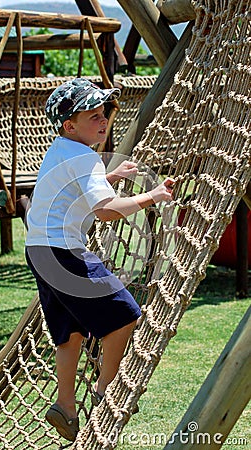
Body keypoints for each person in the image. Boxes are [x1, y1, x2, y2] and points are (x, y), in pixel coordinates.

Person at [25, 78, 174, 442]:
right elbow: (106, 211)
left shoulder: (60, 150)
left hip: (39, 251)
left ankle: (64, 404)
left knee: (69, 333)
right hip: (64, 252)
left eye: (103, 113)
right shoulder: (84, 156)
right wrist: (152, 196)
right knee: (125, 315)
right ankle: (107, 392)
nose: (103, 120)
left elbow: (72, 184)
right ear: (69, 125)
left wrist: (110, 175)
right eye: (93, 116)